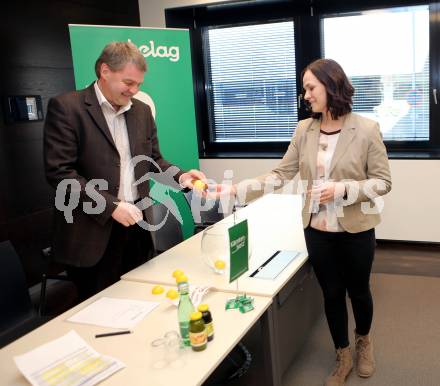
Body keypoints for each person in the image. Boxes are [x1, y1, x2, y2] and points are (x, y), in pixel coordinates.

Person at [218, 59, 391, 386]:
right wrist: (235, 189)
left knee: (359, 291)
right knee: (331, 293)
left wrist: (343, 189)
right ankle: (342, 354)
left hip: (356, 230)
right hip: (317, 230)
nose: (306, 95)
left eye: (311, 87)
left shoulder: (366, 129)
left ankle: (364, 341)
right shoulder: (304, 130)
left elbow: (382, 182)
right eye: (305, 88)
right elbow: (281, 174)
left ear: (331, 85)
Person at [44, 41, 205, 300]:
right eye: (128, 83)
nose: (134, 90)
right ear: (105, 71)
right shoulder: (68, 108)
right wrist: (111, 206)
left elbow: (153, 160)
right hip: (92, 232)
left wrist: (182, 176)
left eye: (139, 84)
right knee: (98, 307)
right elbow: (60, 173)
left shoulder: (141, 111)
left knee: (138, 300)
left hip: (136, 226)